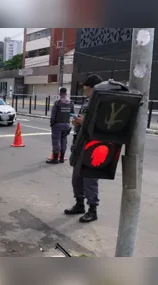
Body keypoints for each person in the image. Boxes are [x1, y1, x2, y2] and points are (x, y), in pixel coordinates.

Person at [64, 74, 103, 223]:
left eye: (87, 90)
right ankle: (79, 204)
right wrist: (78, 122)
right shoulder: (88, 101)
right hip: (80, 144)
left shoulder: (101, 103)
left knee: (90, 180)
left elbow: (100, 124)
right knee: (77, 179)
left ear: (95, 89)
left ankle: (92, 210)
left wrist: (84, 121)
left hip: (93, 147)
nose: (86, 93)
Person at [47, 87, 74, 164]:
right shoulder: (71, 103)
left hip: (57, 125)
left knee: (56, 141)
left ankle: (55, 159)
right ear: (66, 93)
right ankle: (61, 158)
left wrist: (52, 123)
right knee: (64, 141)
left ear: (60, 93)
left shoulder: (57, 103)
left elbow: (53, 115)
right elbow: (72, 114)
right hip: (66, 125)